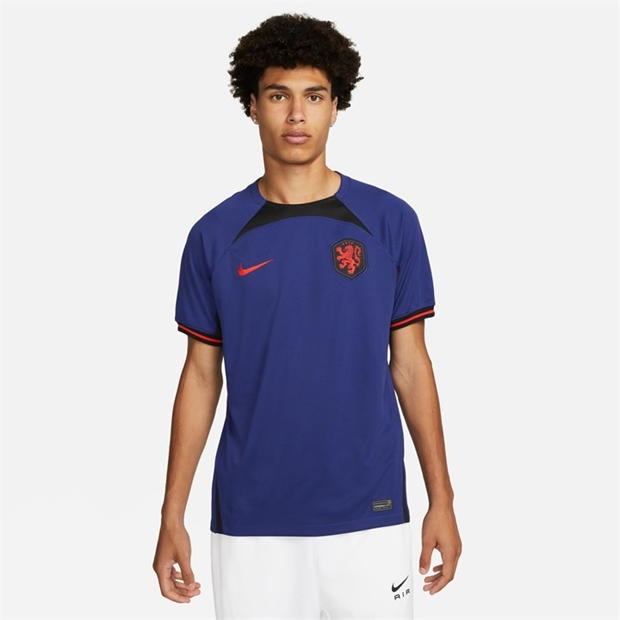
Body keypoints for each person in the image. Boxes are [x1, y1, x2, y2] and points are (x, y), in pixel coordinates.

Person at [153, 12, 461, 619]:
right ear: (252, 105)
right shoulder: (214, 235)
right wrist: (171, 514)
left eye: (314, 96)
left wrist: (442, 500)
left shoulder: (390, 221)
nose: (297, 114)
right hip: (251, 519)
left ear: (336, 105)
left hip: (371, 512)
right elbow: (201, 375)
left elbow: (411, 366)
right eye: (278, 95)